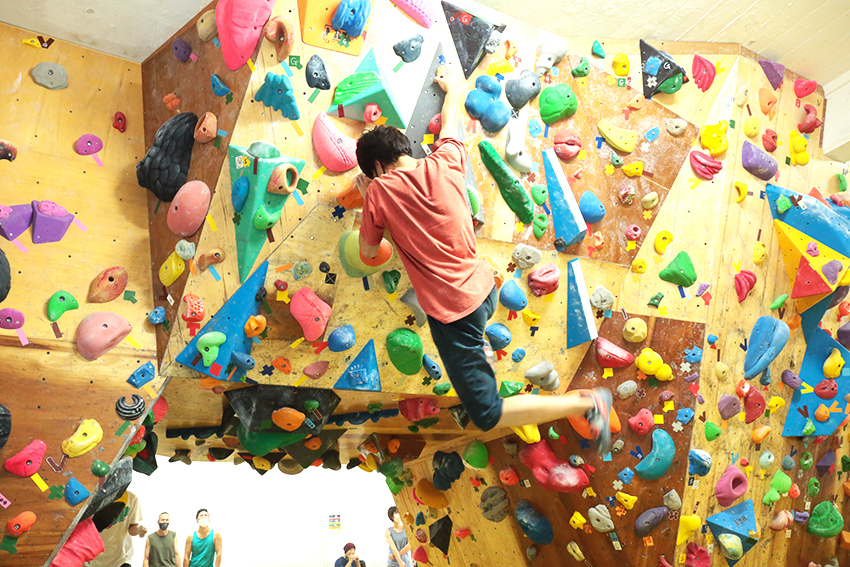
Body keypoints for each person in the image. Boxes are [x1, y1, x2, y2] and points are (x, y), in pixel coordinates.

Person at [352, 65, 612, 454]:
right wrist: (451, 89)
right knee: (474, 350)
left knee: (487, 413)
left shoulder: (379, 190)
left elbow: (368, 253)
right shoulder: (446, 159)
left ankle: (585, 403)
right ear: (404, 150)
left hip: (454, 311)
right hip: (483, 288)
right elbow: (450, 125)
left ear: (376, 168)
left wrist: (368, 195)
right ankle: (480, 354)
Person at [86, 491, 146, 567]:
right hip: (93, 556)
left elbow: (132, 527)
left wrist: (138, 530)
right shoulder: (92, 497)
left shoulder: (132, 498)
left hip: (120, 556)